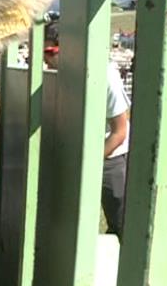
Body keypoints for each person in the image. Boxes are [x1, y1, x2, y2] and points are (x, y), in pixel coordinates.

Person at [43, 19, 130, 239]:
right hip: (74, 156)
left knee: (121, 225)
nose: (46, 59)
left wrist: (90, 163)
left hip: (110, 160)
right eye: (43, 52)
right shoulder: (56, 75)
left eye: (50, 51)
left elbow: (119, 132)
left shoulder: (105, 75)